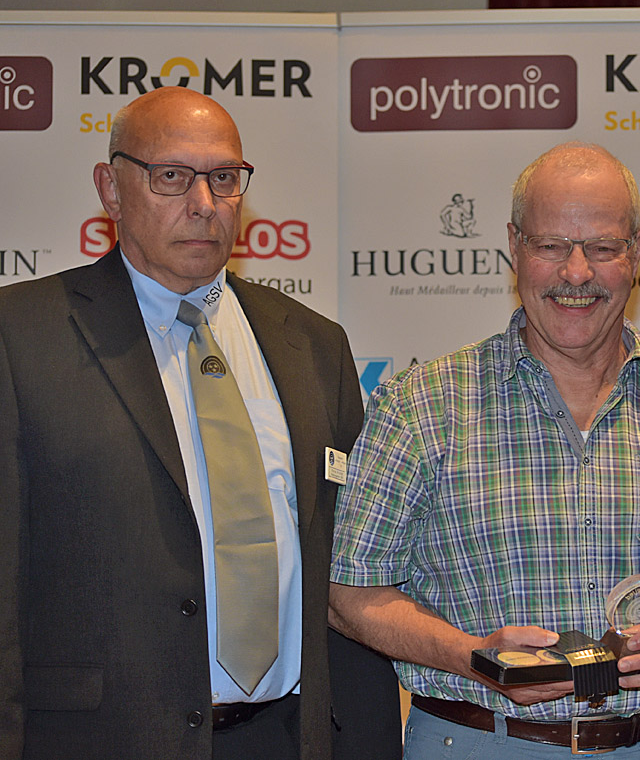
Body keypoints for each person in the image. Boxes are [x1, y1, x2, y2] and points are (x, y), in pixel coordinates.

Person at [329, 141, 640, 759]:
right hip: (477, 745)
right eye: (551, 246)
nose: (576, 273)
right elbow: (350, 592)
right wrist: (472, 656)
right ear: (514, 247)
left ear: (636, 251)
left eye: (602, 247)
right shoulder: (422, 405)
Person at [0, 87, 401, 760]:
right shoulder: (21, 335)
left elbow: (346, 572)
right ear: (111, 189)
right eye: (171, 177)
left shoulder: (313, 344)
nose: (204, 203)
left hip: (286, 736)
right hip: (103, 740)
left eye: (224, 178)